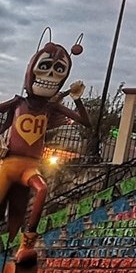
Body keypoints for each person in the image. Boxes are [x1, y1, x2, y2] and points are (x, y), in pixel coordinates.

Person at [0, 35, 90, 264]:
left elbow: (85, 122)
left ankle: (27, 240)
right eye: (45, 67)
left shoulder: (50, 108)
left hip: (30, 166)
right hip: (10, 164)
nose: (51, 76)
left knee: (42, 189)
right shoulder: (18, 103)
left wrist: (77, 99)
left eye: (59, 70)